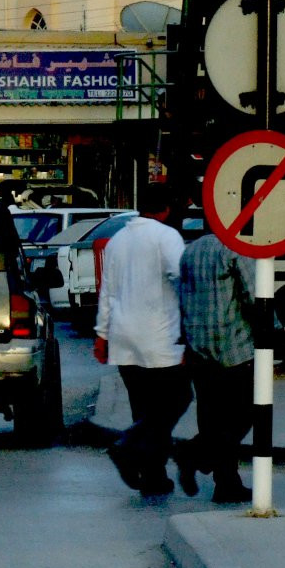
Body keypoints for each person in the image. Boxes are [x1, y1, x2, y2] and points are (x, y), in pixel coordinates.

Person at [93, 182, 190, 498]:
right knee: (177, 400)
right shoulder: (167, 237)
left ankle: (152, 476)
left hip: (123, 337)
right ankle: (128, 446)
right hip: (160, 337)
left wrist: (102, 334)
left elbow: (107, 291)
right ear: (165, 208)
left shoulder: (118, 240)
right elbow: (183, 281)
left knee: (144, 409)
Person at [176, 217, 256, 504]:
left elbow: (181, 298)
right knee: (248, 411)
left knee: (212, 417)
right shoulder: (236, 249)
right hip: (235, 347)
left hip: (199, 347)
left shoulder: (190, 251)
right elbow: (255, 296)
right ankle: (195, 454)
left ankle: (226, 482)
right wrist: (273, 331)